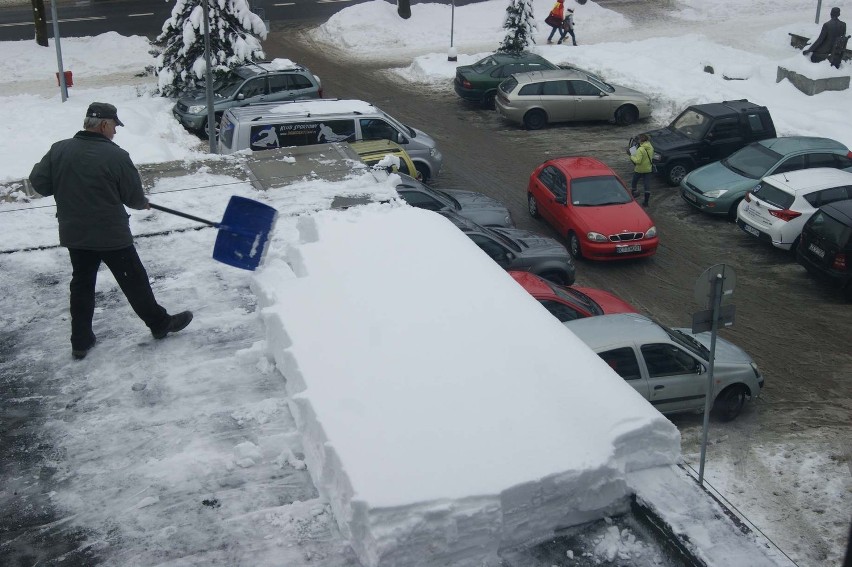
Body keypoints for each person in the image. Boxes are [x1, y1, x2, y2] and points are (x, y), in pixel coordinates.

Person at [29, 102, 193, 360]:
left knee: (82, 284)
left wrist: (67, 185)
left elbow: (39, 184)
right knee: (134, 281)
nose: (115, 131)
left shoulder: (59, 150)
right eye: (114, 126)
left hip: (76, 234)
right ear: (104, 124)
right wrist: (141, 202)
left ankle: (80, 341)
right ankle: (160, 324)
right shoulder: (117, 156)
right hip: (111, 236)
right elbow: (133, 198)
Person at [629, 134, 654, 207]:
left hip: (639, 169)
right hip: (648, 169)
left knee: (634, 181)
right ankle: (646, 202)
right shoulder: (651, 147)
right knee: (647, 185)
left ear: (641, 140)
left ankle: (634, 194)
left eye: (639, 139)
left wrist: (632, 156)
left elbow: (638, 161)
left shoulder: (641, 149)